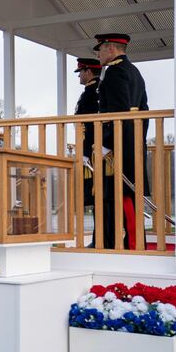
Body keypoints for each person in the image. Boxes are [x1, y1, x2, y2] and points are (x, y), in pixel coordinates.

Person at [94, 33, 150, 250]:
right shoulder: (134, 71)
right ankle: (135, 243)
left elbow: (116, 111)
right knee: (129, 192)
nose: (98, 55)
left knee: (124, 193)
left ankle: (133, 246)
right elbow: (143, 109)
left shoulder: (115, 71)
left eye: (100, 49)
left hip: (119, 142)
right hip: (132, 140)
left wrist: (107, 142)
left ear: (111, 49)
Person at [74, 58, 102, 248]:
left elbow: (88, 128)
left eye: (81, 72)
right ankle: (98, 237)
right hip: (92, 149)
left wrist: (84, 153)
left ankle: (98, 238)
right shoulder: (94, 91)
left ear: (89, 72)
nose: (80, 77)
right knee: (96, 199)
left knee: (96, 197)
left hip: (91, 152)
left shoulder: (91, 94)